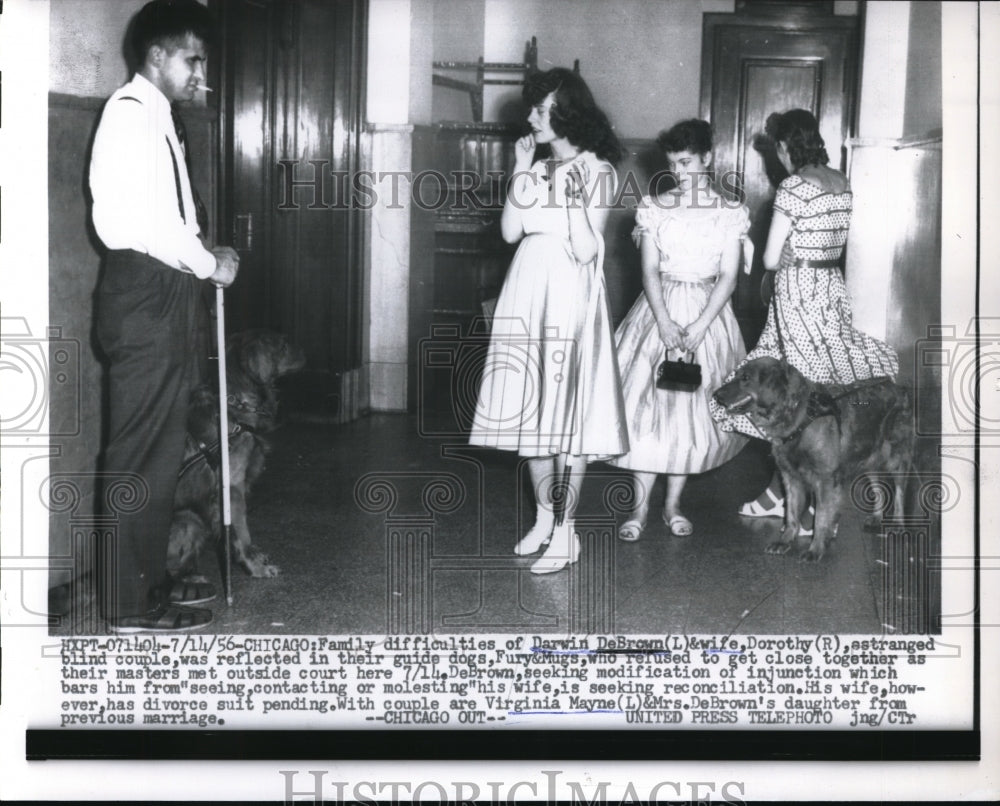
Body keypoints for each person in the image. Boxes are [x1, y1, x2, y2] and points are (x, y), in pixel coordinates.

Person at [90, 0, 240, 632]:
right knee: (138, 453)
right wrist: (208, 264)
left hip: (164, 289)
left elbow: (171, 217)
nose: (200, 73)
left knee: (158, 451)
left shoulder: (159, 117)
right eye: (192, 58)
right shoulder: (130, 118)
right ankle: (127, 606)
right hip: (144, 292)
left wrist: (201, 253)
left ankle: (148, 582)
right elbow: (145, 224)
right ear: (157, 54)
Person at [469, 68, 628, 574]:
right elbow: (511, 232)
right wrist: (519, 169)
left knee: (567, 421)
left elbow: (586, 251)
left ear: (568, 115)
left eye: (542, 110)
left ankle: (566, 531)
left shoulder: (598, 170)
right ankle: (543, 518)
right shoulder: (535, 167)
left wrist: (577, 202)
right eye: (533, 108)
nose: (532, 116)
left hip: (569, 294)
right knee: (530, 413)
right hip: (526, 289)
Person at [710, 108, 898, 524]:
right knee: (826, 389)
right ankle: (799, 491)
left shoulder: (793, 186)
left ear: (783, 145)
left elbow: (772, 257)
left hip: (798, 293)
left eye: (775, 147)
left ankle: (788, 492)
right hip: (830, 287)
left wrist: (789, 252)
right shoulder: (842, 182)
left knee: (789, 393)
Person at [609, 119, 749, 540]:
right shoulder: (654, 207)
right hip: (658, 311)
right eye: (673, 164)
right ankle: (638, 508)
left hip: (707, 312)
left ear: (707, 158)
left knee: (689, 412)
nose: (680, 172)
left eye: (687, 162)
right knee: (647, 411)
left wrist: (702, 326)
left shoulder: (729, 212)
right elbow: (648, 268)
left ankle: (672, 505)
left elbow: (728, 276)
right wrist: (665, 322)